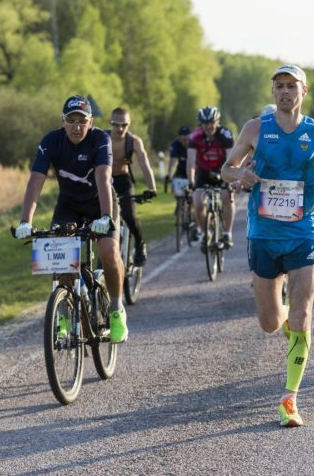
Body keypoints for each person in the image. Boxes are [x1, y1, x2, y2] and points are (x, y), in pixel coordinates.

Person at [221, 64, 314, 427]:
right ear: (273, 91)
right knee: (269, 323)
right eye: (279, 86)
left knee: (302, 312)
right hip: (263, 233)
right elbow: (227, 169)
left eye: (291, 86)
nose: (285, 92)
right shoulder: (255, 129)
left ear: (303, 91)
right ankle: (286, 317)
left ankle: (289, 399)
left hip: (304, 232)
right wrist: (239, 174)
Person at [15, 95, 128, 343]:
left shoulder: (101, 139)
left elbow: (103, 176)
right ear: (63, 122)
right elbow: (36, 180)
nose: (77, 127)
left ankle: (117, 311)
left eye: (82, 121)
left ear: (91, 122)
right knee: (61, 259)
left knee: (108, 251)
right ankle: (64, 315)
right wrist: (25, 220)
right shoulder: (51, 141)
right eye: (71, 120)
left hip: (101, 202)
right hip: (69, 205)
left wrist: (107, 217)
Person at [107, 107, 157, 267]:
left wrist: (152, 187)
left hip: (123, 180)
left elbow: (144, 163)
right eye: (116, 124)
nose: (120, 128)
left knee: (129, 215)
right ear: (111, 123)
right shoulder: (102, 138)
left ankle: (139, 244)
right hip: (105, 182)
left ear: (129, 124)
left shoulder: (133, 141)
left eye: (124, 125)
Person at [187, 106, 235, 249]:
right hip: (203, 172)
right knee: (198, 201)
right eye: (205, 123)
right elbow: (191, 162)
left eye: (211, 122)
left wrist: (231, 179)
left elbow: (231, 158)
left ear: (217, 121)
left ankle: (227, 233)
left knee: (226, 195)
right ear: (200, 124)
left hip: (222, 170)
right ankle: (204, 232)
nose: (208, 126)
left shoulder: (225, 134)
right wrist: (191, 181)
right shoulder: (194, 137)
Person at [167, 125, 191, 197]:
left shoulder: (195, 144)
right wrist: (169, 175)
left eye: (187, 139)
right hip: (180, 173)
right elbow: (172, 161)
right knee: (178, 196)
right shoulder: (175, 144)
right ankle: (180, 206)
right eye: (182, 139)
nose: (185, 142)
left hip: (194, 172)